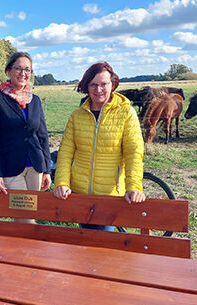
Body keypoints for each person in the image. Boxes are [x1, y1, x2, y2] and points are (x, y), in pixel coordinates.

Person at [53, 62, 145, 231]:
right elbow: (65, 153)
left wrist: (134, 186)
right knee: (85, 243)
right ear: (87, 87)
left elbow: (134, 153)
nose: (98, 90)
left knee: (102, 247)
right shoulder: (77, 116)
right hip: (80, 194)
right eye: (93, 85)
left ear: (113, 85)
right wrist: (61, 183)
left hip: (108, 197)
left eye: (104, 84)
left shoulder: (126, 113)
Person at [0, 52, 51, 196]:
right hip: (10, 168)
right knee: (24, 216)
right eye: (18, 68)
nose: (23, 73)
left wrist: (47, 170)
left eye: (27, 69)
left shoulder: (35, 100)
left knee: (32, 213)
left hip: (35, 167)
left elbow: (43, 136)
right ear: (9, 71)